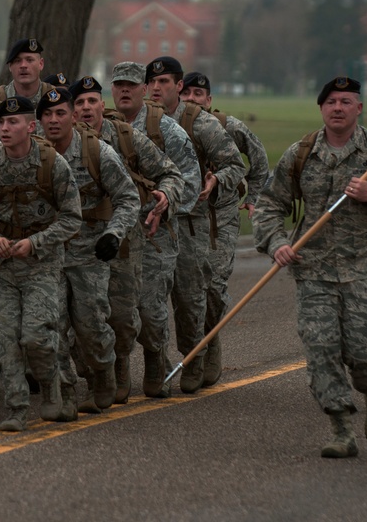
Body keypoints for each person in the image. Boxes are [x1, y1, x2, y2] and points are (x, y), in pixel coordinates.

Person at [252, 76, 367, 458]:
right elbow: (268, 205)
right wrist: (277, 242)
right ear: (322, 108)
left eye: (346, 101)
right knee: (321, 349)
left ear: (359, 108)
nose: (338, 107)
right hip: (314, 272)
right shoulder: (301, 153)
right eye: (330, 101)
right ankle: (341, 429)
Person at [0, 96, 82, 432]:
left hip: (41, 264)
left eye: (13, 122)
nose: (4, 128)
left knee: (36, 337)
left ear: (31, 127)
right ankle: (16, 408)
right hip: (2, 265)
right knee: (3, 338)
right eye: (0, 123)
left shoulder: (52, 164)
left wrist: (36, 242)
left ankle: (58, 387)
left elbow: (73, 218)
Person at [72, 74, 186, 402]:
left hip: (124, 243)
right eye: (79, 102)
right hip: (78, 246)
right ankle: (107, 370)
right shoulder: (59, 143)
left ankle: (141, 361)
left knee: (128, 316)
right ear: (71, 111)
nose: (86, 107)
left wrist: (165, 195)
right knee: (82, 319)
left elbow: (170, 173)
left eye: (92, 101)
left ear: (102, 105)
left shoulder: (126, 138)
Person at [144, 57, 245, 392]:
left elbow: (236, 164)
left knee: (195, 296)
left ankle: (200, 350)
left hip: (193, 223)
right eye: (153, 82)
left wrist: (217, 179)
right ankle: (158, 361)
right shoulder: (139, 123)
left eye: (165, 82)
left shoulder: (199, 123)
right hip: (156, 224)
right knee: (151, 298)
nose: (157, 88)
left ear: (179, 87)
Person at [38, 87, 140, 414]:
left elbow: (128, 198)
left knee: (91, 327)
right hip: (47, 258)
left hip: (88, 255)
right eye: (47, 115)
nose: (54, 121)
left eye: (60, 114)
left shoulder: (97, 152)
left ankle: (103, 371)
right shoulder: (30, 155)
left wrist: (114, 234)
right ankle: (64, 393)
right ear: (39, 120)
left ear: (72, 116)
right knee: (50, 326)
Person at [111, 62, 201, 397]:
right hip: (116, 235)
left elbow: (188, 179)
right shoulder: (102, 129)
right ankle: (118, 370)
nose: (124, 90)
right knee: (117, 310)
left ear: (144, 90)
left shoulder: (167, 131)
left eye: (131, 85)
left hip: (154, 234)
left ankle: (154, 361)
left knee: (151, 310)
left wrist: (165, 203)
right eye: (119, 84)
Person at [179, 70, 269, 386]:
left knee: (214, 288)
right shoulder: (170, 128)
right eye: (186, 94)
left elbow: (258, 161)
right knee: (186, 293)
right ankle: (193, 355)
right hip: (184, 224)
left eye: (198, 94)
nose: (192, 100)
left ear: (209, 99)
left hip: (222, 219)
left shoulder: (228, 126)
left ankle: (211, 339)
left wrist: (254, 197)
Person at [0, 38, 50, 111]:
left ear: (41, 64)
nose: (23, 65)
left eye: (29, 60)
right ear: (10, 66)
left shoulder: (54, 97)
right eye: (17, 61)